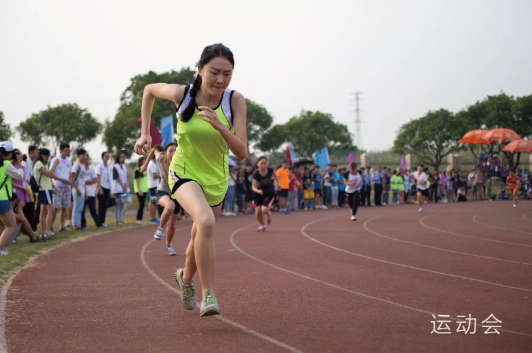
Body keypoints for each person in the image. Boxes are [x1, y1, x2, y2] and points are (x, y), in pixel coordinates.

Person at [135, 44, 247, 317]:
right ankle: (209, 294)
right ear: (200, 70)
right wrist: (145, 134)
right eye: (214, 72)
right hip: (184, 172)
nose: (221, 79)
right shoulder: (183, 94)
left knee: (200, 235)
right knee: (206, 221)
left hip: (216, 179)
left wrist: (221, 127)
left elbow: (242, 152)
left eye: (227, 74)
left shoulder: (235, 101)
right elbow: (149, 89)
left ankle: (185, 280)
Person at [142, 143, 180, 255]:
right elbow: (154, 149)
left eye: (175, 151)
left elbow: (170, 179)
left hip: (177, 194)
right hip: (162, 191)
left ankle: (168, 244)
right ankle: (160, 228)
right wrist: (145, 164)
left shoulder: (180, 164)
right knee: (169, 206)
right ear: (165, 152)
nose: (173, 153)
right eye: (171, 151)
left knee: (172, 225)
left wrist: (163, 164)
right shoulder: (160, 158)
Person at [0, 142, 26, 255]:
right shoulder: (6, 164)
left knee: (2, 224)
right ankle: (0, 248)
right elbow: (20, 176)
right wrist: (19, 163)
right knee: (11, 225)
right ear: (10, 153)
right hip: (2, 198)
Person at [32, 148, 60, 239]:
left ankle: (44, 232)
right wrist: (55, 165)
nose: (47, 158)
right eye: (46, 156)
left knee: (43, 211)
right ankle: (47, 231)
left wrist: (53, 188)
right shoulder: (39, 164)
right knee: (50, 210)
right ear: (42, 155)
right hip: (44, 189)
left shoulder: (42, 164)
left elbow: (47, 178)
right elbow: (49, 174)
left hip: (46, 189)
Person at [51, 143, 73, 232]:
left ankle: (61, 226)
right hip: (58, 186)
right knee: (55, 207)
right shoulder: (55, 160)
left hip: (67, 186)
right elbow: (51, 173)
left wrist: (70, 181)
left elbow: (70, 173)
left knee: (64, 207)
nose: (68, 152)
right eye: (66, 150)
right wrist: (61, 180)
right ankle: (50, 226)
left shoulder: (69, 160)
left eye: (69, 150)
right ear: (61, 151)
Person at [252, 157, 276, 232]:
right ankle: (263, 225)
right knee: (258, 212)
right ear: (257, 164)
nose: (263, 165)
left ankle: (268, 214)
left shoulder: (270, 170)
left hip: (268, 192)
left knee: (264, 209)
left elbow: (275, 176)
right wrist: (258, 191)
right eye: (261, 163)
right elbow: (253, 187)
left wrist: (277, 184)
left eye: (265, 163)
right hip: (258, 193)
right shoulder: (256, 173)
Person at [80, 156, 102, 228]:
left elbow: (94, 180)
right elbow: (80, 181)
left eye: (87, 159)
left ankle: (98, 223)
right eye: (85, 159)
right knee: (82, 209)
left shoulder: (92, 170)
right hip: (83, 192)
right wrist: (88, 181)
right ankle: (83, 224)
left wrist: (86, 182)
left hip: (91, 193)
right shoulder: (80, 170)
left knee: (93, 209)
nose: (86, 161)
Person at [70, 149, 88, 231]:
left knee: (80, 208)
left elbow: (83, 180)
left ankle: (79, 224)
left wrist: (85, 191)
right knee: (76, 207)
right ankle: (75, 225)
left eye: (85, 155)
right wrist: (76, 188)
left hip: (82, 190)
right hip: (77, 190)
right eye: (84, 155)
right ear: (79, 155)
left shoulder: (83, 165)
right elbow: (71, 178)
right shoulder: (76, 165)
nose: (85, 157)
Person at [22, 146, 38, 231]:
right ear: (31, 152)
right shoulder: (26, 162)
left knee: (31, 210)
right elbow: (25, 178)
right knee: (28, 210)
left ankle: (32, 228)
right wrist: (29, 189)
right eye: (36, 152)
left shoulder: (31, 162)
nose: (37, 154)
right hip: (26, 190)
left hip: (29, 190)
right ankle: (30, 229)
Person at [112, 150, 129, 225]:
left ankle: (120, 219)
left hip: (124, 188)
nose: (123, 158)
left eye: (124, 157)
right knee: (117, 205)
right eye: (121, 157)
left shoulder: (124, 167)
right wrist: (123, 186)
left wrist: (126, 186)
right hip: (118, 188)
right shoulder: (115, 166)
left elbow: (125, 177)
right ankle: (117, 220)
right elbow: (116, 178)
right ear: (118, 157)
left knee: (122, 205)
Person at [96, 152, 111, 227]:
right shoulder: (100, 166)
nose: (107, 157)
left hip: (107, 188)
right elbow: (98, 177)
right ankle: (100, 222)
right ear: (103, 157)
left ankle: (103, 221)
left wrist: (110, 189)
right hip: (102, 187)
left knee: (105, 205)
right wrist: (100, 188)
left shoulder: (108, 167)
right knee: (101, 206)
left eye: (108, 156)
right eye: (106, 155)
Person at [147, 150, 161, 223]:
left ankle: (153, 217)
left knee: (154, 201)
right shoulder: (152, 164)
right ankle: (152, 217)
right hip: (153, 185)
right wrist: (161, 175)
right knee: (152, 202)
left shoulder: (154, 164)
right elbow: (155, 175)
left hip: (155, 185)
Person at [134, 156, 149, 223]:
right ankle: (138, 219)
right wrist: (139, 189)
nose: (144, 162)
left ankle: (141, 219)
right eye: (143, 161)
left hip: (145, 189)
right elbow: (136, 180)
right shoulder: (137, 170)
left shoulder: (146, 169)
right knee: (141, 204)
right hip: (139, 190)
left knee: (143, 204)